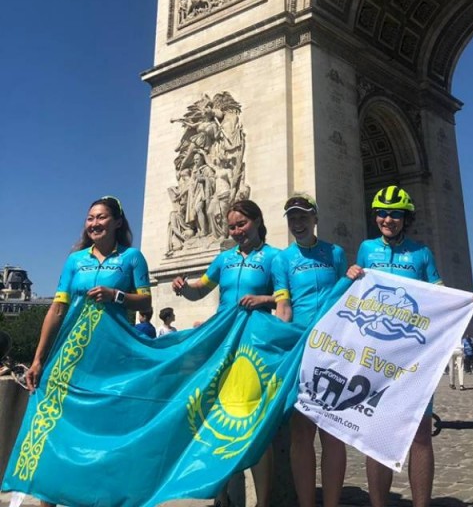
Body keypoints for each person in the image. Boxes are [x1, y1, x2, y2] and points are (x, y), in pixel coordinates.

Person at [346, 185, 473, 507]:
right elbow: (355, 293)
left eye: (395, 214)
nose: (387, 219)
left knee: (421, 435)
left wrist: (468, 300)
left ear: (406, 218)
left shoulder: (422, 253)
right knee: (376, 436)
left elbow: (440, 294)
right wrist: (351, 273)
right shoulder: (366, 249)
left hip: (413, 357)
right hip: (376, 356)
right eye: (382, 213)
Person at [24, 195, 152, 507]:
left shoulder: (133, 258)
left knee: (105, 429)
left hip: (112, 357)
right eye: (90, 218)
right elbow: (57, 309)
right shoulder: (74, 260)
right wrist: (38, 359)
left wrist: (116, 295)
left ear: (117, 222)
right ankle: (47, 499)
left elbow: (146, 301)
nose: (94, 223)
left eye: (101, 217)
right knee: (55, 427)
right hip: (70, 355)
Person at [172, 199, 278, 507]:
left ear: (258, 222)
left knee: (254, 422)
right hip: (223, 344)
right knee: (217, 418)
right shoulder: (223, 259)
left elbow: (286, 299)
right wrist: (183, 287)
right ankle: (222, 497)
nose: (236, 231)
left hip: (254, 346)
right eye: (231, 227)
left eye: (242, 224)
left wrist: (263, 300)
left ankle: (262, 502)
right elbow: (199, 290)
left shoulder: (275, 257)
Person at [272, 193, 348, 507]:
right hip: (302, 349)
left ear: (315, 218)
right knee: (301, 435)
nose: (298, 223)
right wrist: (281, 342)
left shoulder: (336, 253)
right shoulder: (282, 260)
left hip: (333, 349)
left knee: (333, 433)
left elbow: (347, 298)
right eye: (292, 218)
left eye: (303, 216)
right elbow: (284, 306)